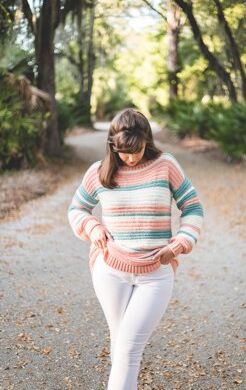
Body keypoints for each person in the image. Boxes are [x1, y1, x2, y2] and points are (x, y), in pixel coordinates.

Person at [67, 108, 204, 390]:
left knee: (129, 347)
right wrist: (92, 227)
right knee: (120, 342)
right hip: (110, 270)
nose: (129, 158)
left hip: (155, 273)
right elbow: (77, 209)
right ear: (112, 146)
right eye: (122, 152)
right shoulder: (99, 171)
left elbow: (193, 207)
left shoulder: (166, 165)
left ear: (147, 140)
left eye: (136, 150)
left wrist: (179, 244)